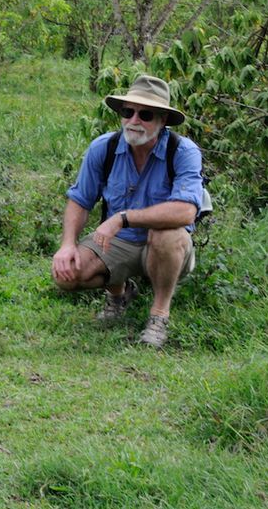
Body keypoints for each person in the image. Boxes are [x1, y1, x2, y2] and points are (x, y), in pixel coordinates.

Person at [51, 75, 204, 348]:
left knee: (166, 235)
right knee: (67, 274)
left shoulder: (182, 151)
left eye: (145, 114)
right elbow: (80, 199)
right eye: (127, 111)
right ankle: (119, 295)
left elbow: (186, 212)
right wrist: (67, 244)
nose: (134, 120)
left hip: (164, 247)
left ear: (162, 120)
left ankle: (159, 316)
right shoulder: (104, 147)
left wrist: (123, 218)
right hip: (121, 244)